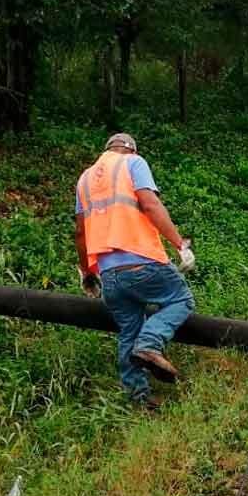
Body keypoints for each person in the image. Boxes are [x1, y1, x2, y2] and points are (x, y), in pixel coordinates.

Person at [75, 133, 196, 409]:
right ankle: (151, 344)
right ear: (131, 150)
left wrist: (87, 272)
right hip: (142, 261)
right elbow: (150, 204)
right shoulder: (134, 163)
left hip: (109, 275)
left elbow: (81, 232)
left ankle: (139, 399)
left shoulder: (84, 179)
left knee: (129, 330)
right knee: (181, 299)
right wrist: (180, 245)